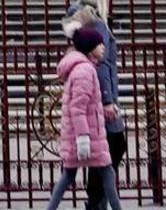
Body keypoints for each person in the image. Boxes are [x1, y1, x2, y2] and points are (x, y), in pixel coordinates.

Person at [67, 0, 127, 187]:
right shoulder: (97, 23)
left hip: (93, 90)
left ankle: (98, 199)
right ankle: (97, 200)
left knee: (105, 149)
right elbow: (102, 64)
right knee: (115, 145)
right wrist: (108, 99)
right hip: (101, 93)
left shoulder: (84, 21)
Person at [51, 22, 115, 210]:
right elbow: (77, 108)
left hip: (87, 134)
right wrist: (83, 138)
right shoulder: (84, 71)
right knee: (107, 175)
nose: (103, 47)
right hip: (87, 137)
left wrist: (101, 111)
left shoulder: (84, 68)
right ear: (89, 48)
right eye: (99, 44)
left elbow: (86, 106)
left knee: (69, 176)